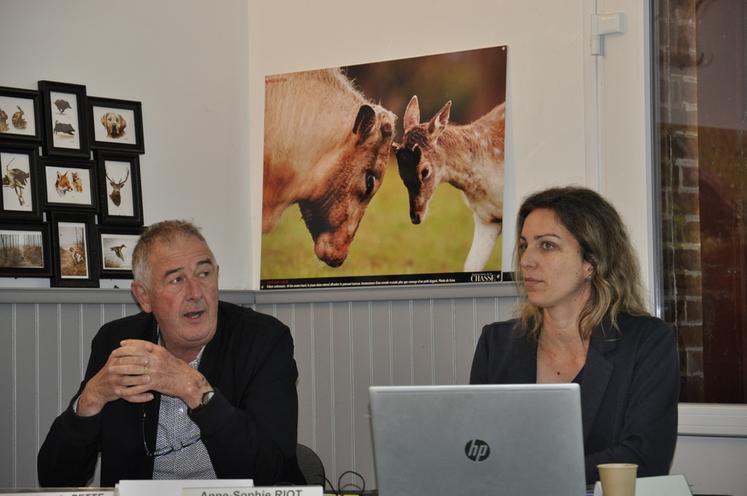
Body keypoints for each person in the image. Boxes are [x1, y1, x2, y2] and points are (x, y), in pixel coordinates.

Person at [38, 220, 304, 487]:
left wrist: (194, 389)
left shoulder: (263, 341)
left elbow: (273, 473)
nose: (195, 292)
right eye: (176, 279)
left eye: (204, 274)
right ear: (144, 296)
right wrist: (91, 399)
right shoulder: (117, 343)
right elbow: (55, 477)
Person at [470, 186, 679, 483]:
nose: (526, 260)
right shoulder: (497, 344)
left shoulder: (647, 342)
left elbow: (644, 459)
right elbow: (477, 450)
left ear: (590, 263)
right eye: (524, 245)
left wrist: (529, 473)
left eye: (547, 246)